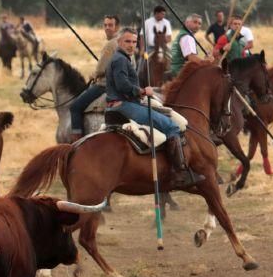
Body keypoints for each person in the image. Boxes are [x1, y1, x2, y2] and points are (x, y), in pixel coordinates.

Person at [106, 28, 201, 188]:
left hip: (124, 103)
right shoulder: (120, 60)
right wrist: (142, 91)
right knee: (172, 126)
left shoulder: (122, 58)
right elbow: (123, 85)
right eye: (127, 41)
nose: (131, 45)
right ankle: (179, 174)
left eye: (134, 42)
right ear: (119, 42)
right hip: (124, 105)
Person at [68, 14, 121, 141]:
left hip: (104, 85)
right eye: (105, 25)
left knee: (75, 107)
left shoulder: (110, 45)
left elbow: (100, 70)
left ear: (117, 27)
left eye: (110, 25)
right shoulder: (123, 42)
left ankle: (77, 140)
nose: (107, 28)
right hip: (117, 83)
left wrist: (93, 74)